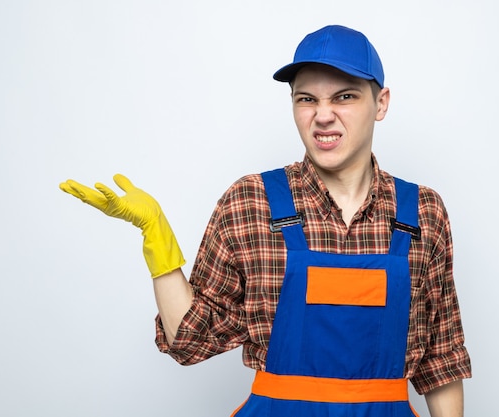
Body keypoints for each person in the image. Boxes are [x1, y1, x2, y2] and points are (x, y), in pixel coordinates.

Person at [60, 24, 471, 417]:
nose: (323, 116)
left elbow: (441, 359)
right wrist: (157, 237)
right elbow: (188, 342)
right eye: (306, 99)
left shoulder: (423, 213)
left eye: (344, 97)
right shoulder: (251, 203)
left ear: (380, 103)